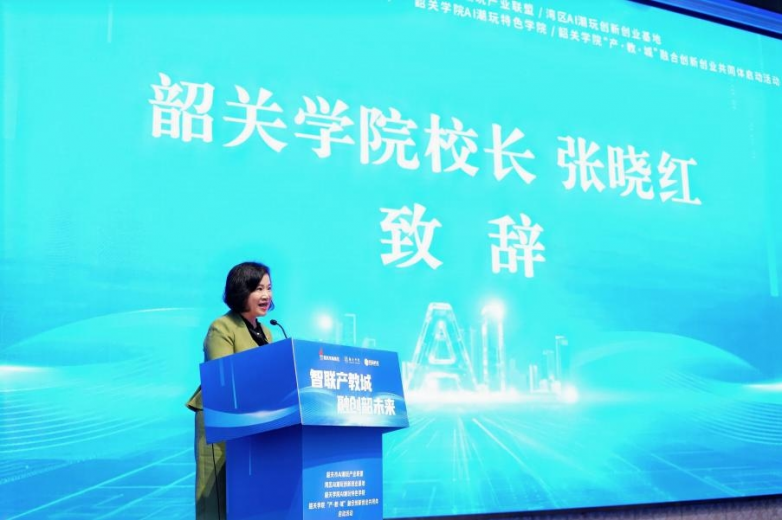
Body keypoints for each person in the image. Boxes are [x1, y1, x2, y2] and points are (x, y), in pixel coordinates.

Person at [186, 261, 275, 520]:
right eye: (258, 289)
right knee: (216, 493)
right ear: (241, 291)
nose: (266, 295)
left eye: (269, 288)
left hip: (254, 420)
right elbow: (221, 378)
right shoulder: (222, 327)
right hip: (220, 419)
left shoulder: (267, 332)